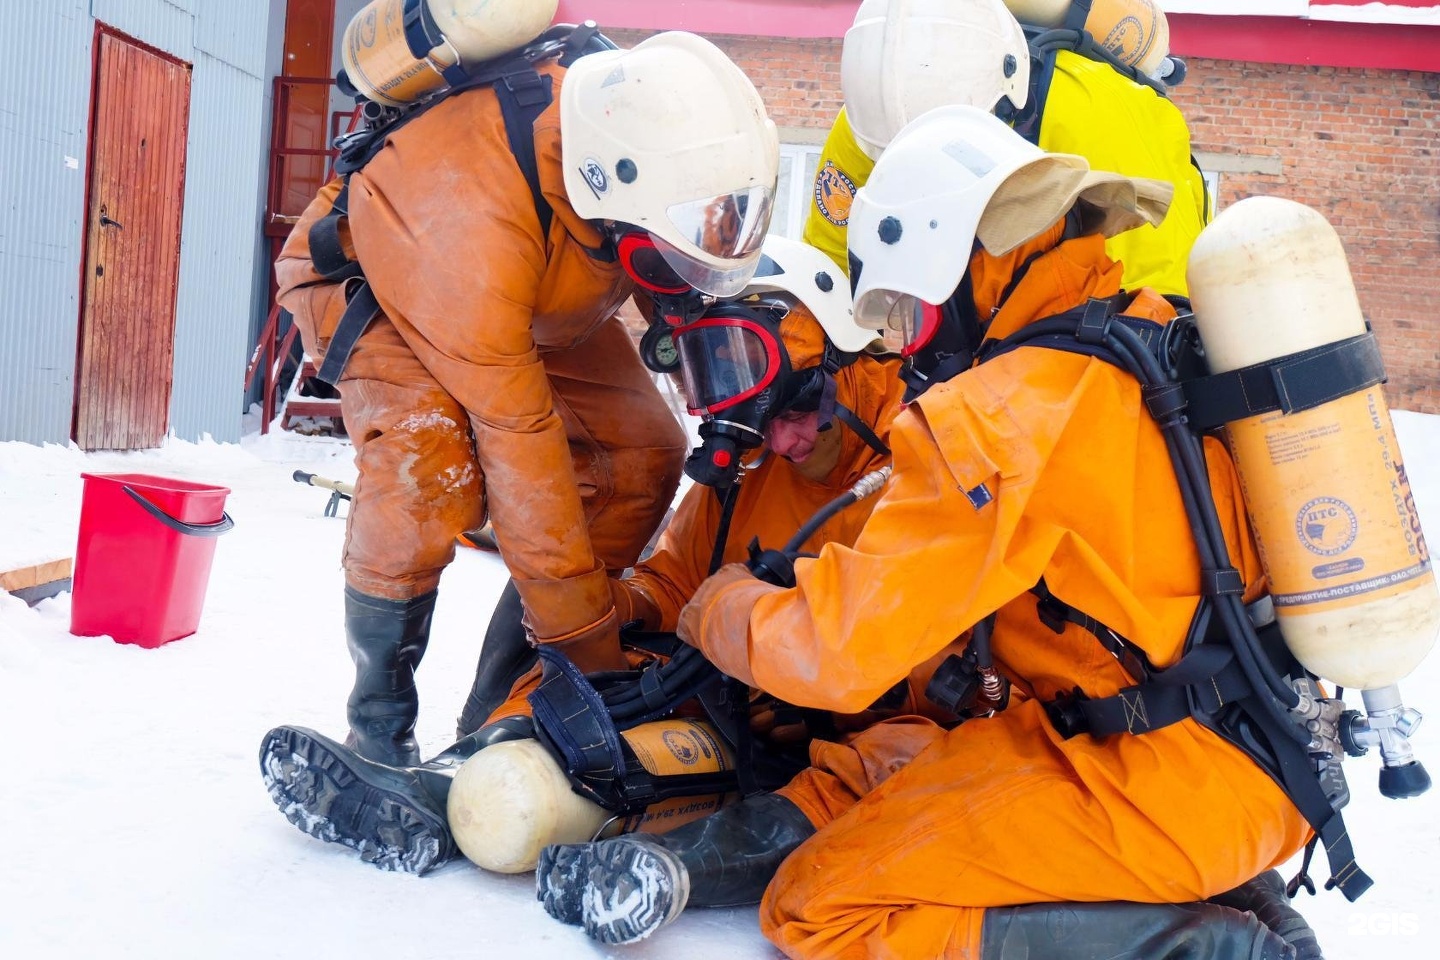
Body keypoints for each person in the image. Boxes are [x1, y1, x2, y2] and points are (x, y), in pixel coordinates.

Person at [536, 107, 1325, 959]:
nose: (909, 345)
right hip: (1245, 745)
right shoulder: (1148, 337)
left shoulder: (998, 415)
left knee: (819, 905)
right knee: (902, 782)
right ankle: (1214, 891)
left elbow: (840, 652)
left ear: (953, 267)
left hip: (1153, 772)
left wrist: (720, 608)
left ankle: (1205, 950)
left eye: (910, 310)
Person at [260, 235, 965, 878]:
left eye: (797, 413)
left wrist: (800, 668)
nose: (783, 442)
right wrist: (607, 609)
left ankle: (675, 869)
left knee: (902, 760)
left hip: (877, 721)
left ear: (840, 369)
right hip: (745, 705)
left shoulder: (927, 463)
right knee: (603, 662)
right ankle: (440, 786)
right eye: (764, 422)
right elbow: (676, 579)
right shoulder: (751, 469)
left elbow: (942, 649)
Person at [272, 31, 779, 767]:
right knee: (430, 459)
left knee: (640, 452)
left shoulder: (636, 160)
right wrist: (594, 655)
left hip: (545, 279)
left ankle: (506, 704)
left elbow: (686, 304)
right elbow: (522, 445)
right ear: (613, 192)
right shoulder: (477, 222)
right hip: (388, 278)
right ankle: (378, 728)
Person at [804, 0, 1207, 302]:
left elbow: (1152, 308)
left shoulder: (1097, 111)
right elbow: (829, 272)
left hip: (1065, 366)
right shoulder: (872, 112)